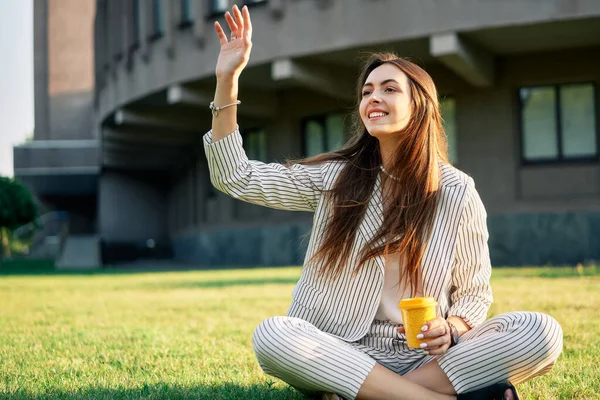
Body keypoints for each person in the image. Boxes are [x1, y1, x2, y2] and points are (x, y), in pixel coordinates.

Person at [204, 5, 563, 400]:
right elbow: (235, 176)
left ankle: (373, 394)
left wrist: (454, 328)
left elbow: (474, 292)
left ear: (419, 104)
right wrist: (228, 79)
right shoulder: (335, 177)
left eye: (389, 89)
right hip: (339, 351)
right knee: (274, 334)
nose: (374, 97)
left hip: (422, 359)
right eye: (367, 91)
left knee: (539, 331)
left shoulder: (457, 190)